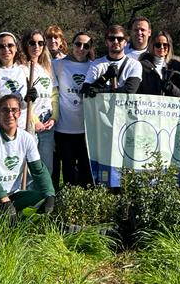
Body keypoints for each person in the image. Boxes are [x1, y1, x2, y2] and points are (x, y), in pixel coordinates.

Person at [0, 94, 56, 219]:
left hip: (13, 194)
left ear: (19, 113)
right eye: (5, 110)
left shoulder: (27, 138)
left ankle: (23, 222)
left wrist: (50, 194)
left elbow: (38, 170)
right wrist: (4, 200)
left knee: (43, 199)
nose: (10, 114)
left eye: (14, 110)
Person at [54, 31, 95, 187]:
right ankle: (67, 199)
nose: (81, 48)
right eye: (78, 44)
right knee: (68, 171)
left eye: (86, 46)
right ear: (72, 44)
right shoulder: (58, 64)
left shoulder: (94, 66)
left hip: (86, 129)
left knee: (86, 171)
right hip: (64, 128)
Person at [23, 29, 58, 184]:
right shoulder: (21, 68)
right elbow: (22, 100)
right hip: (29, 122)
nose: (36, 46)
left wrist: (54, 117)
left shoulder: (47, 68)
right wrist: (34, 121)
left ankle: (43, 197)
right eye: (32, 43)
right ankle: (28, 197)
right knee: (30, 167)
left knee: (46, 166)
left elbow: (54, 95)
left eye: (40, 43)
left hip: (47, 121)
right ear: (25, 45)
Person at [84, 25, 143, 94]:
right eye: (111, 39)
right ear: (106, 42)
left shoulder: (134, 65)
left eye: (120, 39)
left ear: (125, 43)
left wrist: (100, 90)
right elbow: (86, 89)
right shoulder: (96, 64)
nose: (116, 41)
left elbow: (130, 90)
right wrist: (105, 76)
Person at [139, 30, 180, 96]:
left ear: (169, 47)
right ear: (152, 46)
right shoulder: (142, 66)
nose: (162, 47)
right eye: (158, 45)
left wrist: (170, 87)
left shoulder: (177, 67)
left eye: (165, 45)